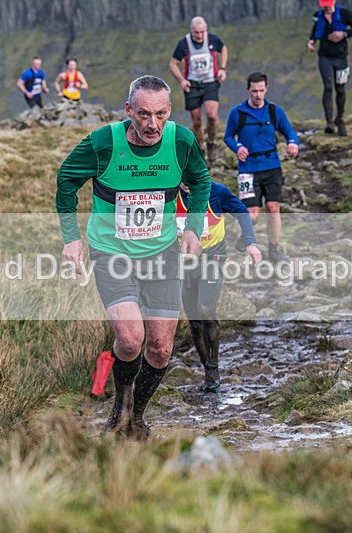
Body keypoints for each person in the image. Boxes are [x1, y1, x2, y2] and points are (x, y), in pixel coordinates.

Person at [57, 75, 211, 439]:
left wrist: (192, 227)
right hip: (113, 252)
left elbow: (201, 179)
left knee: (160, 349)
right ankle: (120, 410)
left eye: (160, 114)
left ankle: (135, 419)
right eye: (143, 114)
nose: (152, 124)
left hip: (161, 254)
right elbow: (66, 179)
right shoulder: (103, 143)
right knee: (130, 340)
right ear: (129, 110)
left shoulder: (181, 141)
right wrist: (71, 239)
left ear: (169, 112)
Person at [177, 180, 261, 392]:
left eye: (190, 175)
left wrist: (250, 242)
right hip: (183, 262)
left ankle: (212, 369)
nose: (187, 182)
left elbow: (242, 211)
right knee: (194, 322)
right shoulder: (169, 192)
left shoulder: (216, 191)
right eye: (182, 175)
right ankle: (207, 367)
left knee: (206, 309)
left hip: (213, 256)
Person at [223, 72, 299, 263]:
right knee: (253, 216)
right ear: (248, 90)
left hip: (272, 166)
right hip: (247, 170)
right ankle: (244, 236)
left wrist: (292, 143)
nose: (258, 95)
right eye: (254, 91)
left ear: (266, 89)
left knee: (273, 208)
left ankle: (274, 251)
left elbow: (289, 131)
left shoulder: (274, 111)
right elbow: (228, 137)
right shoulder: (237, 113)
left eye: (261, 91)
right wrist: (238, 147)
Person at [168, 16, 228, 163]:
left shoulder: (213, 39)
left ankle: (211, 143)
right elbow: (173, 64)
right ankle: (200, 149)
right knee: (196, 121)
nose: (199, 35)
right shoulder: (184, 44)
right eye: (196, 32)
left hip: (210, 83)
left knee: (211, 115)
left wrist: (222, 68)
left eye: (202, 32)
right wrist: (182, 80)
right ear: (191, 31)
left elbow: (223, 49)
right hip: (192, 85)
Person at [306, 0, 352, 136]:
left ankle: (340, 119)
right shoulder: (318, 16)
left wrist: (344, 34)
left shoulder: (344, 13)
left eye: (328, 4)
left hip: (341, 58)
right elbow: (315, 29)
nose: (326, 7)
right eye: (324, 4)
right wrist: (311, 41)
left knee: (340, 90)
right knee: (328, 87)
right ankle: (329, 122)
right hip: (325, 57)